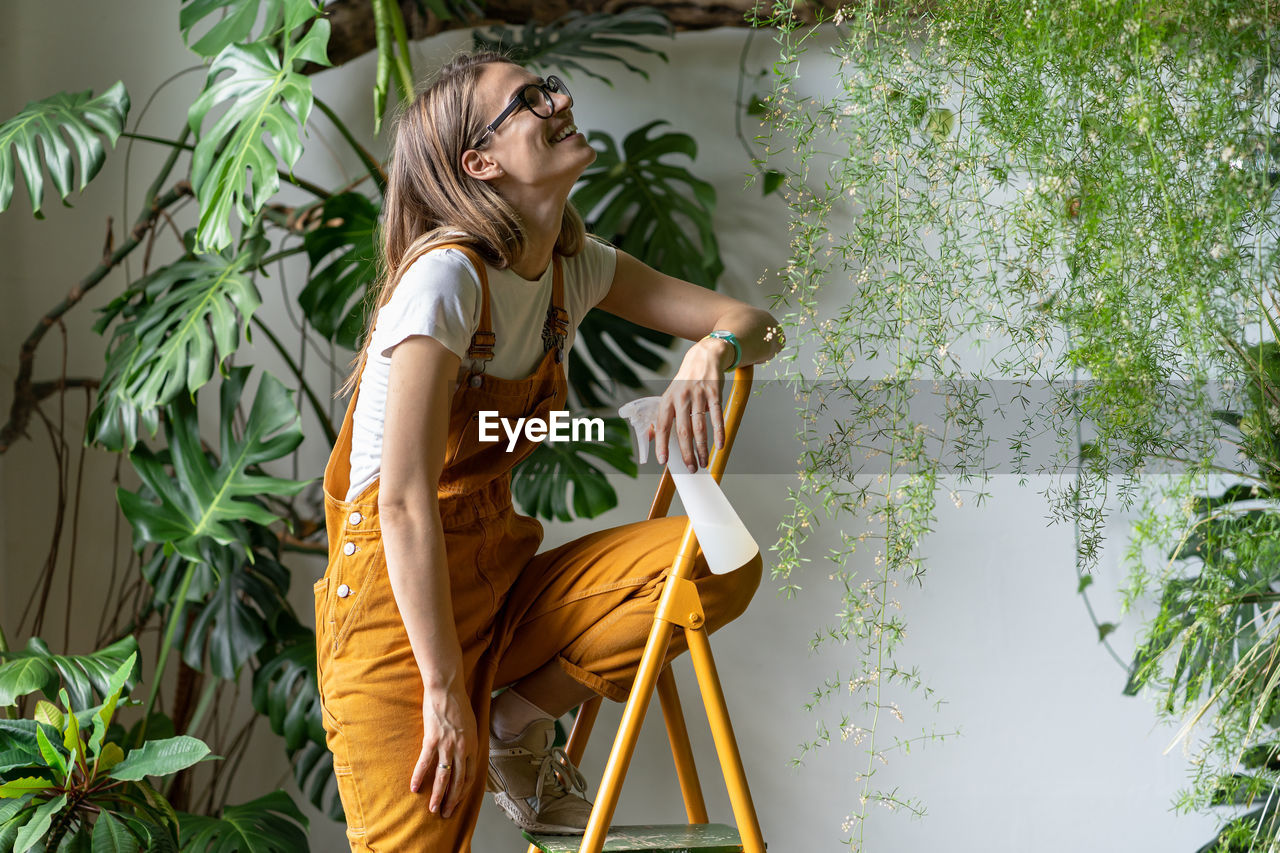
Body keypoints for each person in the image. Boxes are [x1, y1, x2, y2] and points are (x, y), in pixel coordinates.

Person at [313, 49, 783, 852]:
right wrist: (439, 688)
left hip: (497, 580)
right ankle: (469, 711)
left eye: (549, 86)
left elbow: (757, 324)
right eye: (530, 98)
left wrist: (711, 351)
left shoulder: (575, 267)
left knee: (721, 561)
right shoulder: (445, 281)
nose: (559, 99)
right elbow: (400, 501)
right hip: (396, 616)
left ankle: (514, 723)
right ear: (481, 162)